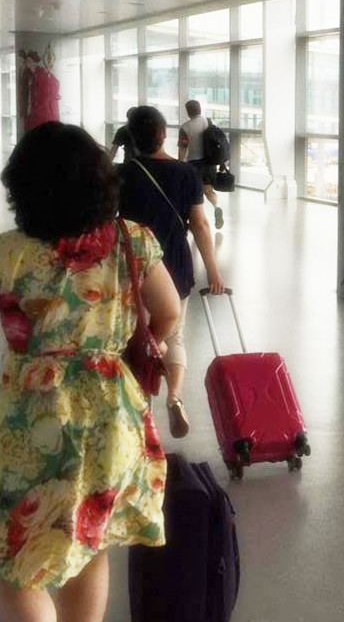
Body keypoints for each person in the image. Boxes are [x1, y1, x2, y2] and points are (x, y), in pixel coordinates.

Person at [0, 122, 180, 622]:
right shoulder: (132, 240)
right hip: (108, 410)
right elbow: (168, 311)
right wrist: (128, 342)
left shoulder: (9, 252)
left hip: (29, 415)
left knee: (15, 561)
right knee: (89, 537)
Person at [119, 105, 225, 439]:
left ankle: (140, 406)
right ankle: (175, 396)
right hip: (175, 264)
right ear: (164, 134)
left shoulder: (122, 174)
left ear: (132, 138)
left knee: (134, 338)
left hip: (132, 267)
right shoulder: (185, 174)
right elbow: (201, 225)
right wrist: (213, 271)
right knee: (173, 335)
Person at [178, 99, 224, 230]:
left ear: (188, 111)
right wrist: (221, 162)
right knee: (208, 190)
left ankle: (197, 219)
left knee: (194, 194)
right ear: (200, 109)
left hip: (194, 164)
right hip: (209, 163)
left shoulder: (185, 127)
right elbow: (218, 143)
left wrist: (180, 163)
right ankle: (217, 207)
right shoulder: (209, 122)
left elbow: (183, 148)